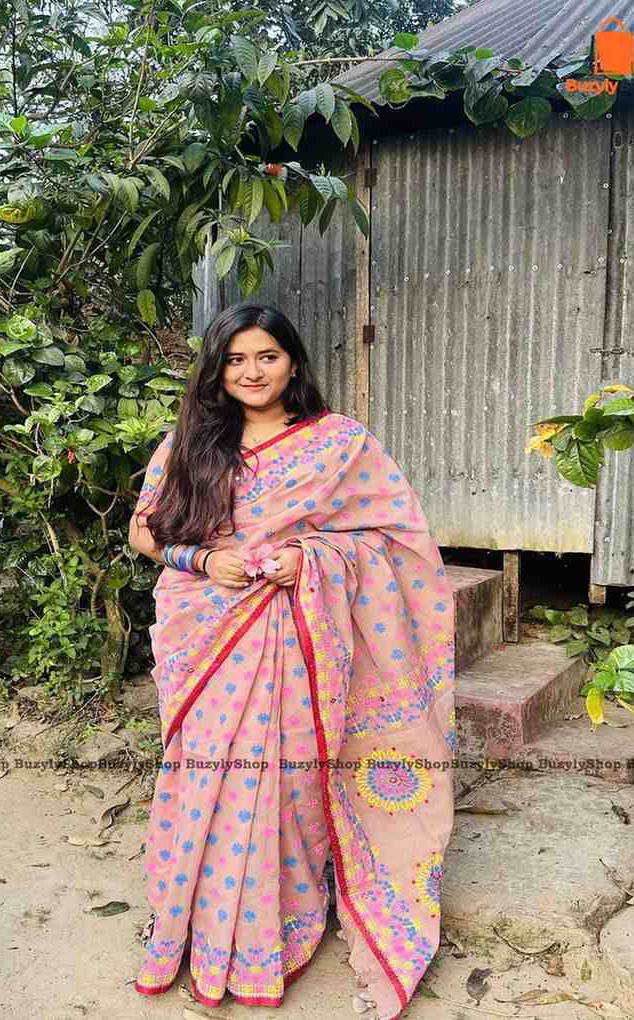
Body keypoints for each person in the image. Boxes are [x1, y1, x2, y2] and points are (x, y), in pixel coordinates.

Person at [128, 301, 456, 1020]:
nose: (252, 371)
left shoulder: (338, 443)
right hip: (205, 632)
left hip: (295, 637)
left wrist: (308, 558)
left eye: (266, 357)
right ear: (217, 369)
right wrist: (205, 557)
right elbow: (145, 531)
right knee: (202, 777)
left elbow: (393, 540)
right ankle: (195, 926)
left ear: (294, 363)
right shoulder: (191, 441)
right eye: (237, 359)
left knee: (282, 781)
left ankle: (277, 929)